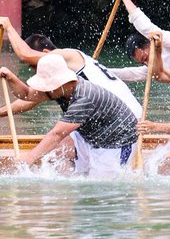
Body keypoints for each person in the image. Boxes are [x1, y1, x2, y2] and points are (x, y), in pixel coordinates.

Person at [0, 54, 138, 176]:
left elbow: (57, 133)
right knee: (59, 152)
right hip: (90, 135)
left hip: (116, 143)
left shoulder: (84, 97)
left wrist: (29, 158)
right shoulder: (61, 89)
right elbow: (28, 94)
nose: (45, 89)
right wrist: (11, 78)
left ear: (59, 83)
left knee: (101, 188)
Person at [0, 16, 141, 118]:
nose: (34, 71)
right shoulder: (59, 76)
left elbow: (25, 54)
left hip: (124, 113)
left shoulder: (65, 55)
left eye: (33, 65)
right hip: (111, 114)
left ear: (46, 54)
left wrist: (8, 26)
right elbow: (30, 97)